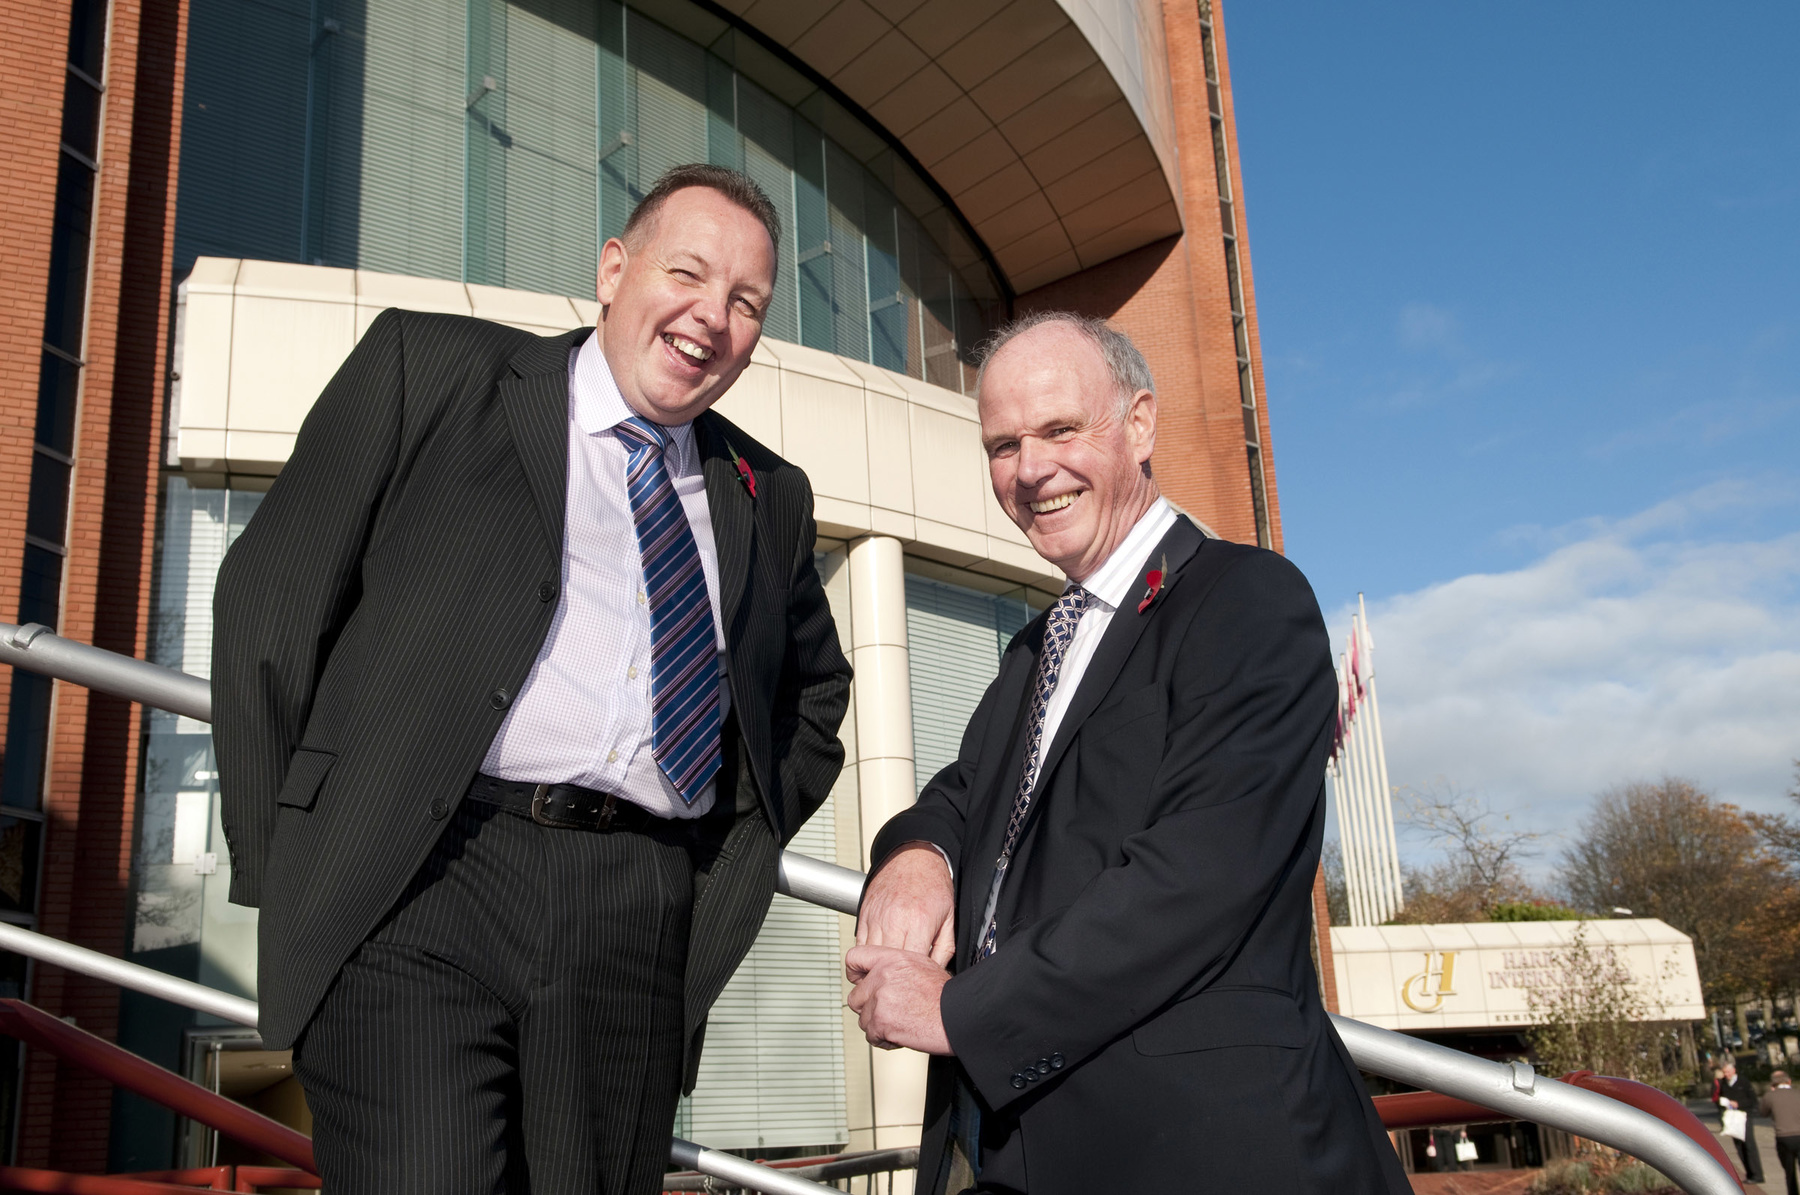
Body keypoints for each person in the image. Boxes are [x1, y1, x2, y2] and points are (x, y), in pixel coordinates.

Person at [213, 164, 852, 1195]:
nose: (712, 317)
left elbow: (814, 695)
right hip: (422, 875)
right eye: (687, 273)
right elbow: (272, 605)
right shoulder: (431, 370)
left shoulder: (766, 493)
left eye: (747, 303)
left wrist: (721, 829)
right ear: (612, 269)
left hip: (635, 910)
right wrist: (280, 857)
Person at [843, 312, 1410, 1194]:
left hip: (1198, 1153)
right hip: (1014, 1146)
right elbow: (964, 795)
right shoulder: (1036, 649)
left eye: (1061, 429)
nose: (1031, 470)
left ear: (1140, 424)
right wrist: (916, 854)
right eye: (1003, 444)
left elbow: (1197, 877)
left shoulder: (1246, 600)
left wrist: (960, 1010)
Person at [1720, 1058, 1766, 1184]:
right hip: (1732, 1117)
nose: (1726, 1075)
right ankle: (1749, 1173)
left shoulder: (1743, 1082)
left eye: (1728, 1072)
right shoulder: (1723, 1083)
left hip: (1744, 1116)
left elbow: (1753, 1101)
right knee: (1739, 1146)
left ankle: (1757, 1174)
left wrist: (1738, 1104)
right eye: (1724, 1072)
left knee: (1749, 1144)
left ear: (1734, 1071)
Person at [1759, 1070, 1800, 1195]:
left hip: (1783, 1137)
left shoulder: (1770, 1096)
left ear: (1773, 1084)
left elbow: (1763, 1113)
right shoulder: (1797, 1093)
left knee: (1789, 1172)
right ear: (1789, 1081)